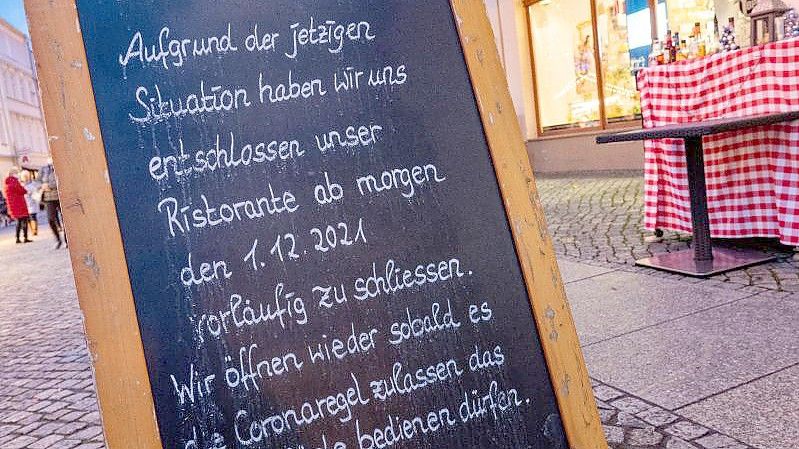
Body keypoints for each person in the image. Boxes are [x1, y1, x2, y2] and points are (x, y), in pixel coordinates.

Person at [3, 167, 32, 243]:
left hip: (13, 206)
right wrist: (25, 190)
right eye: (17, 173)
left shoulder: (7, 183)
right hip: (19, 204)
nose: (18, 174)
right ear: (13, 174)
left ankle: (17, 238)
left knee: (18, 222)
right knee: (24, 220)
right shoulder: (14, 182)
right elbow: (22, 190)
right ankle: (25, 237)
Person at [40, 159, 64, 248]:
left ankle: (67, 240)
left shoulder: (59, 167)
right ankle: (58, 240)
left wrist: (49, 186)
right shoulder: (43, 169)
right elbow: (37, 181)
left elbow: (61, 180)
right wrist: (41, 186)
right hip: (48, 199)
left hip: (59, 197)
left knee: (65, 219)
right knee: (50, 220)